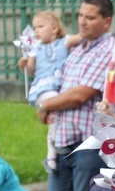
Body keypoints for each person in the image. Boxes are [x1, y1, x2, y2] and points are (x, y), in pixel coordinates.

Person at [37, 0, 115, 191]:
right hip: (62, 140)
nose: (82, 21)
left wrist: (47, 105)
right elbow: (60, 85)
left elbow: (80, 95)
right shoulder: (77, 48)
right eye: (81, 15)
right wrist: (46, 102)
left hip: (88, 144)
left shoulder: (109, 50)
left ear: (107, 21)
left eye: (90, 17)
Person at [18, 11, 81, 173]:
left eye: (40, 26)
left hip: (59, 86)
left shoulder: (63, 42)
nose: (36, 31)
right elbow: (31, 70)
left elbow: (83, 37)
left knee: (55, 121)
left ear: (54, 29)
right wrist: (25, 62)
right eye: (34, 28)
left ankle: (52, 156)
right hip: (44, 88)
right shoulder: (35, 49)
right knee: (56, 113)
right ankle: (54, 153)